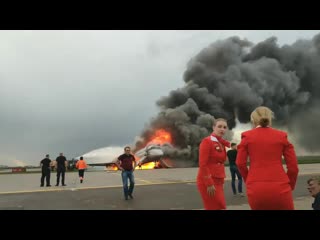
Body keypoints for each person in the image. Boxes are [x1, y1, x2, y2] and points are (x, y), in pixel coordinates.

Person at [236, 106, 299, 210]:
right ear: (270, 118)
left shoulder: (247, 136)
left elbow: (240, 163)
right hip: (281, 187)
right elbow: (293, 168)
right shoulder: (282, 136)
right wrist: (290, 185)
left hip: (256, 188)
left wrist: (250, 181)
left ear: (253, 120)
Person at [197, 118, 231, 210]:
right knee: (214, 207)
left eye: (224, 127)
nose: (222, 129)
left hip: (218, 179)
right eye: (219, 126)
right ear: (213, 127)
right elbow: (202, 163)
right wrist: (209, 183)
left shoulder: (221, 143)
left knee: (220, 206)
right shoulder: (207, 141)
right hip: (209, 181)